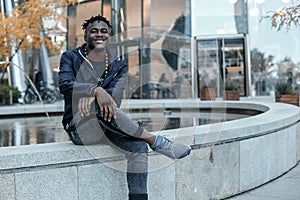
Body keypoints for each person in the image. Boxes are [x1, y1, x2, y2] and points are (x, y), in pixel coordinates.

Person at [58, 15, 191, 200]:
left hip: (107, 125)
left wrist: (95, 95)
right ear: (85, 35)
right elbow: (65, 85)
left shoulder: (118, 65)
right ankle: (155, 140)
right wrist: (94, 91)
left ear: (109, 36)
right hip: (79, 127)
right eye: (93, 31)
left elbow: (115, 100)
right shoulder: (70, 57)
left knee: (138, 146)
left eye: (104, 31)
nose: (99, 34)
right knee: (99, 102)